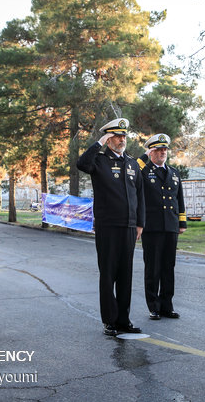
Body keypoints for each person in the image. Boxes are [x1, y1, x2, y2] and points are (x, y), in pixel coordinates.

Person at [77, 118, 145, 336]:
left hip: (129, 227)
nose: (121, 139)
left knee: (126, 275)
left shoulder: (133, 163)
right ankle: (110, 321)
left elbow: (140, 196)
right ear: (108, 139)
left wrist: (140, 223)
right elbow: (81, 164)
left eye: (123, 136)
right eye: (116, 136)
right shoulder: (99, 160)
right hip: (108, 226)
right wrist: (98, 143)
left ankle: (124, 320)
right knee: (108, 274)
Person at [136, 133, 187, 320]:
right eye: (158, 150)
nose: (162, 153)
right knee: (153, 268)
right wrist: (145, 154)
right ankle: (154, 306)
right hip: (152, 226)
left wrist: (182, 222)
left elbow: (179, 198)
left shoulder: (174, 173)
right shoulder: (143, 171)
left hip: (171, 226)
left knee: (168, 267)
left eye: (164, 150)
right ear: (151, 152)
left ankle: (167, 305)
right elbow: (135, 165)